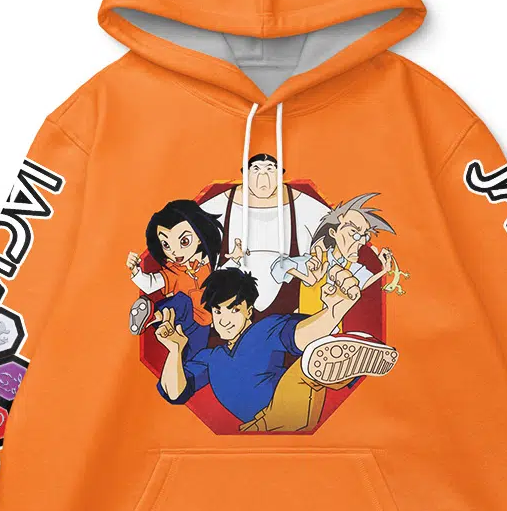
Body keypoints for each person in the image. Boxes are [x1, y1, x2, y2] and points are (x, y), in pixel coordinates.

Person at [154, 266, 398, 433]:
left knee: (305, 368)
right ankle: (341, 360)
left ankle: (337, 361)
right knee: (309, 366)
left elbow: (299, 335)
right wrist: (175, 350)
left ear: (249, 311)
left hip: (288, 407)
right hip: (258, 428)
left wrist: (334, 311)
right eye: (218, 311)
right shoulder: (209, 358)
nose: (225, 319)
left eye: (234, 309)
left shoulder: (266, 329)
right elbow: (174, 393)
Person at [200, 154, 329, 312]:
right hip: (230, 308)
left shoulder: (303, 203)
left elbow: (332, 230)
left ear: (280, 174)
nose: (263, 178)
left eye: (270, 170)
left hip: (288, 309)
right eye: (256, 169)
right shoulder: (219, 203)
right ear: (246, 174)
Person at [271, 193, 401, 315]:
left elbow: (364, 283)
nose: (362, 241)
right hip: (306, 326)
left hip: (333, 329)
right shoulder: (317, 261)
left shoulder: (352, 267)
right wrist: (305, 277)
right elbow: (277, 268)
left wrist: (384, 270)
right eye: (354, 233)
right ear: (333, 233)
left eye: (365, 236)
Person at [126, 199, 223, 359]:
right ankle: (152, 316)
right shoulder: (174, 271)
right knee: (182, 301)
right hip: (177, 318)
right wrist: (135, 270)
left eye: (184, 241)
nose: (175, 252)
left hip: (203, 323)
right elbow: (151, 284)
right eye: (166, 245)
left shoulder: (208, 264)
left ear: (199, 236)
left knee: (192, 358)